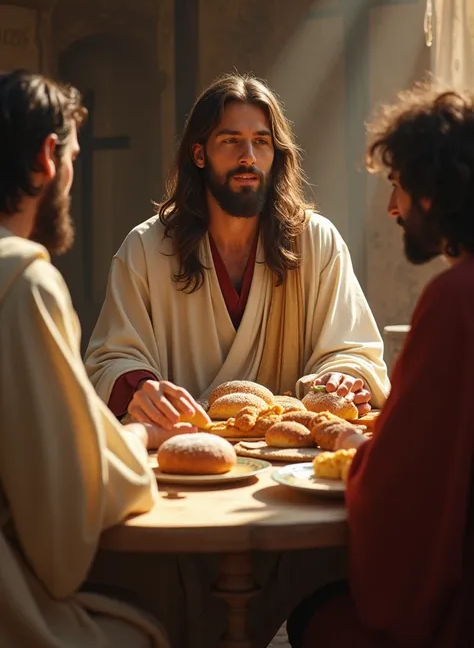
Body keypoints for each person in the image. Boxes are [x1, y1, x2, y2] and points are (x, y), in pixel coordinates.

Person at [85, 72, 389, 434]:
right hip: (182, 445)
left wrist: (343, 377)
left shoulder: (316, 241)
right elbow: (111, 360)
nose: (248, 157)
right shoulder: (146, 248)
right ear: (199, 153)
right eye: (231, 141)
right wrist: (140, 387)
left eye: (261, 142)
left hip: (291, 455)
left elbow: (354, 350)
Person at [290, 84, 474, 648]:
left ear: (428, 192)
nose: (391, 209)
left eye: (396, 187)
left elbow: (403, 486)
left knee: (309, 609)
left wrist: (353, 442)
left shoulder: (455, 300)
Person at [0, 70, 171, 648]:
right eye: (74, 156)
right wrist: (139, 439)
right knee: (167, 618)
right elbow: (59, 525)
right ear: (49, 157)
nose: (73, 177)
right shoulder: (25, 282)